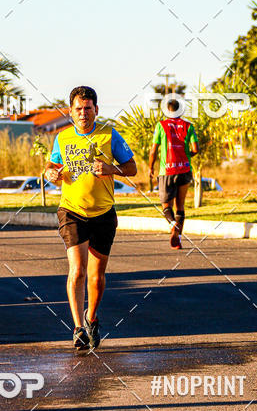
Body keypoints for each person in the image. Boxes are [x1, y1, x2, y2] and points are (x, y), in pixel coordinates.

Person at [45, 86, 137, 352]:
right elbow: (52, 165)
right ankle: (77, 329)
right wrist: (50, 173)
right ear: (70, 111)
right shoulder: (62, 138)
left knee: (96, 276)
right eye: (78, 109)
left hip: (104, 213)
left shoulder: (109, 135)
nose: (83, 113)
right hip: (72, 210)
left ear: (96, 109)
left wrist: (112, 169)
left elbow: (132, 167)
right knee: (77, 270)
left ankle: (92, 318)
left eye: (88, 108)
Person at [148, 98, 198, 249]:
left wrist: (150, 167)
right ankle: (179, 239)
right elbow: (195, 149)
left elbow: (153, 150)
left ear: (167, 110)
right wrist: (186, 156)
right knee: (180, 206)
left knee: (166, 206)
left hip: (167, 170)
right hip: (185, 169)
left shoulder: (161, 126)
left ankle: (172, 224)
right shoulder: (189, 126)